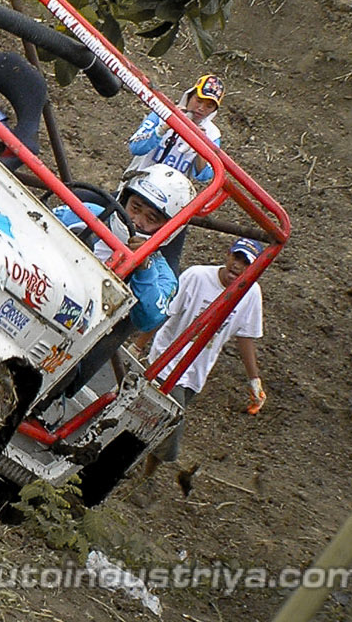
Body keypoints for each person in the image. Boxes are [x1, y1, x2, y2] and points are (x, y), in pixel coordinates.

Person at [53, 165, 192, 397]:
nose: (137, 221)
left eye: (151, 218)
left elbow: (149, 319)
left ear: (166, 229)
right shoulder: (86, 213)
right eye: (135, 208)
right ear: (125, 199)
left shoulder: (161, 274)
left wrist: (143, 268)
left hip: (72, 346)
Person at [139, 238, 266, 481]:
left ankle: (144, 473)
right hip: (166, 362)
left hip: (196, 372)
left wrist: (254, 380)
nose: (237, 266)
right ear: (227, 254)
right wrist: (138, 346)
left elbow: (245, 336)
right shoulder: (197, 277)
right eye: (236, 257)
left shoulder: (251, 295)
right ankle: (148, 477)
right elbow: (165, 311)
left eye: (246, 263)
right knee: (170, 421)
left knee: (155, 422)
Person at [125, 74, 224, 268]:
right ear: (190, 95)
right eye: (199, 100)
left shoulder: (212, 134)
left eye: (209, 106)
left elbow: (205, 175)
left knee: (169, 263)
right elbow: (135, 147)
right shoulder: (162, 111)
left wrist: (201, 146)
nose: (201, 109)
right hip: (136, 189)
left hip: (169, 206)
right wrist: (164, 126)